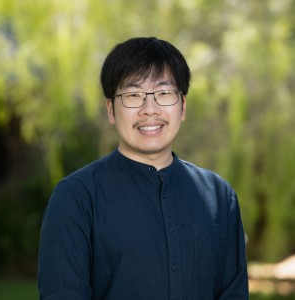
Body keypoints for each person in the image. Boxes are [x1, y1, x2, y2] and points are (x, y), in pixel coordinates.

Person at [38, 37, 249, 300]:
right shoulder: (76, 197)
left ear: (182, 106)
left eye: (164, 93)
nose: (150, 110)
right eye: (133, 95)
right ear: (111, 110)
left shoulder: (219, 196)